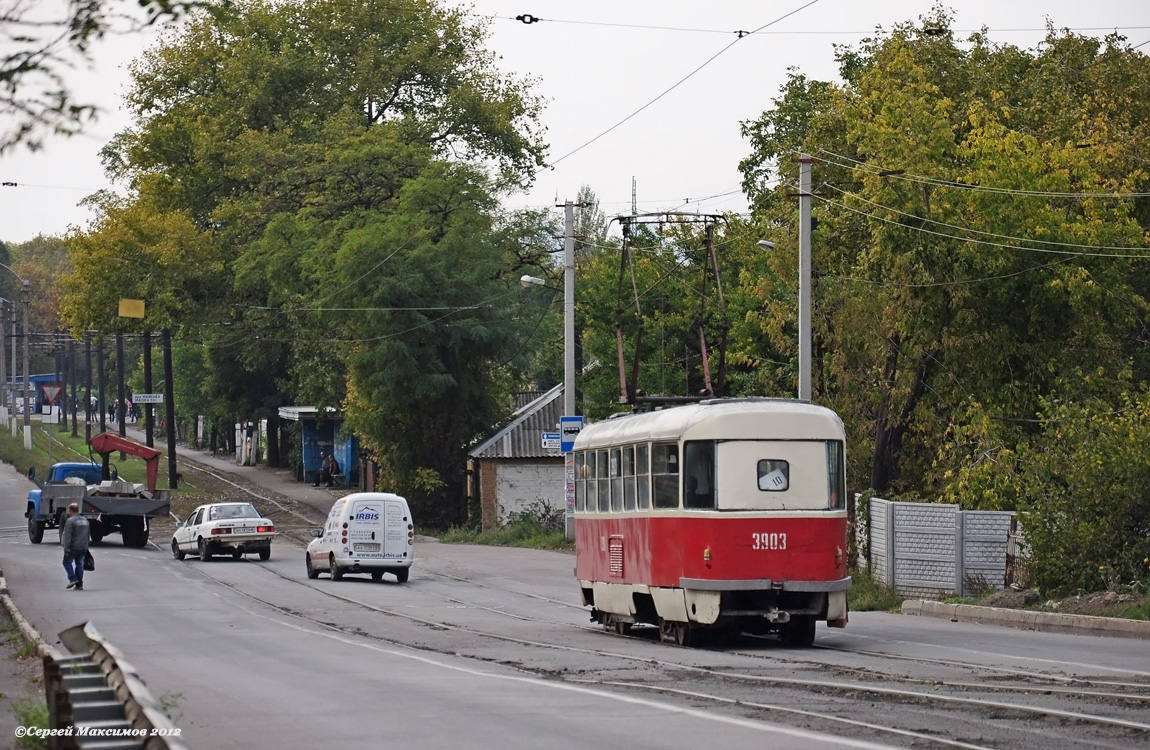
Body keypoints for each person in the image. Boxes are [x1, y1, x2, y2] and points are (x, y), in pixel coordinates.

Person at [61, 503, 90, 591]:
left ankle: (72, 579)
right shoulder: (85, 521)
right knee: (80, 564)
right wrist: (86, 546)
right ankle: (79, 585)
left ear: (71, 511)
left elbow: (67, 536)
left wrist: (66, 549)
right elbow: (87, 535)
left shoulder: (70, 521)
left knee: (66, 562)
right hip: (83, 546)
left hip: (73, 546)